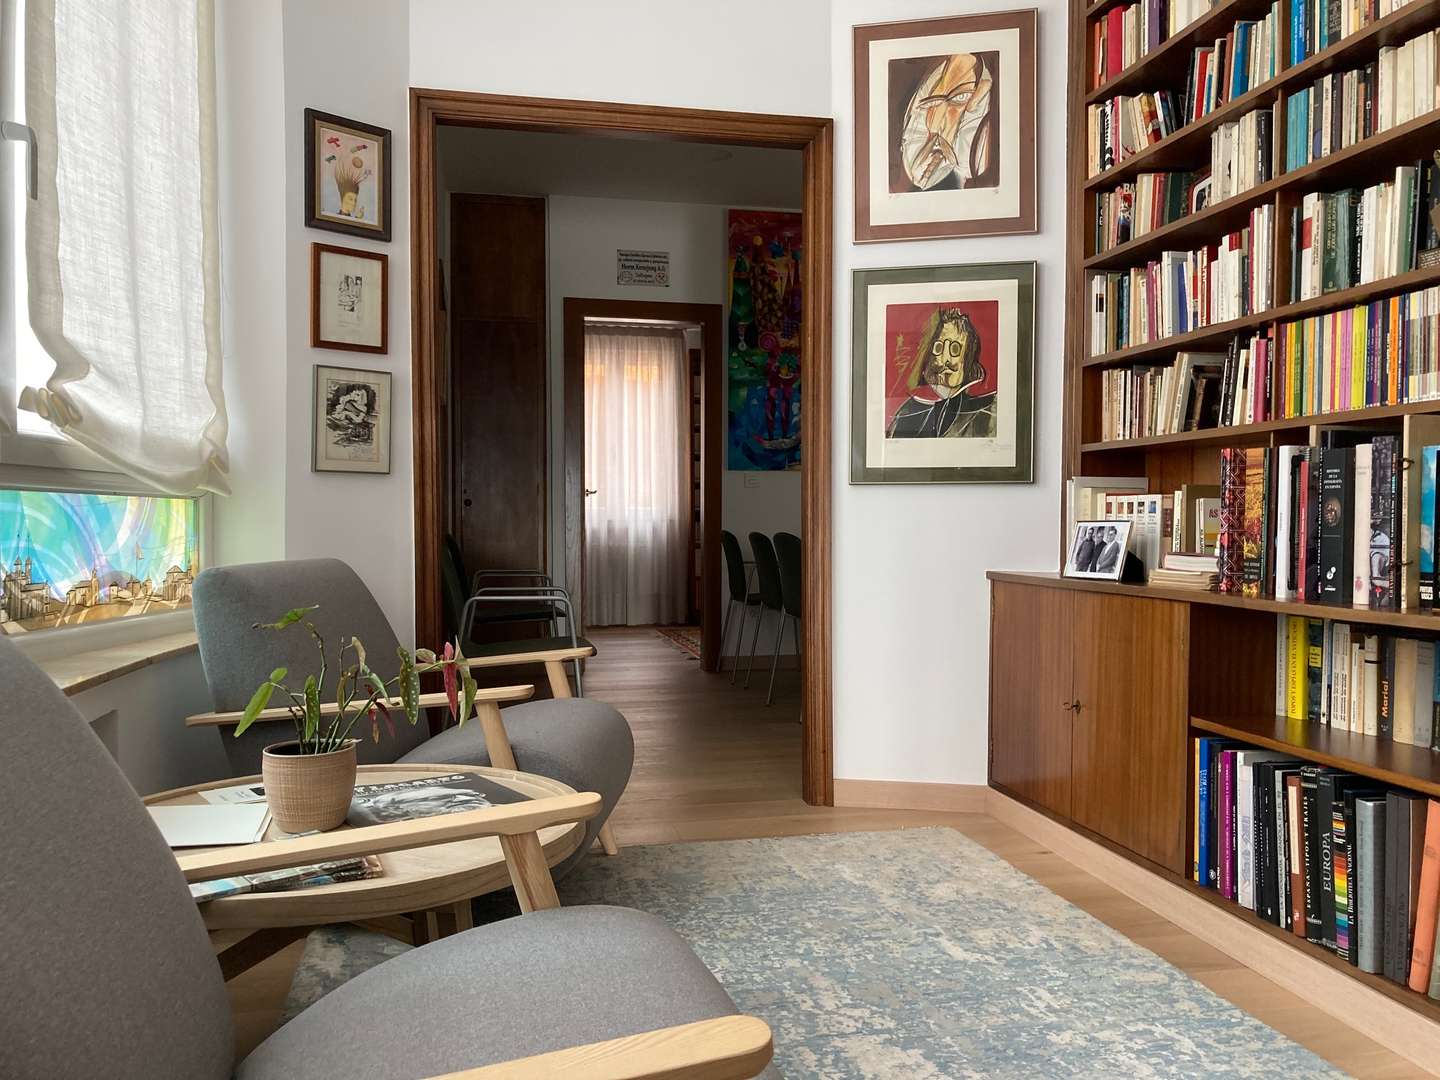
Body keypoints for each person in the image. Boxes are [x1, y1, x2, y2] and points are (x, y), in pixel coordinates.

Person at [886, 307, 997, 439]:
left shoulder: (990, 410)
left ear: (969, 358)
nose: (942, 360)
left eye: (954, 349)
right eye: (938, 347)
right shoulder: (906, 413)